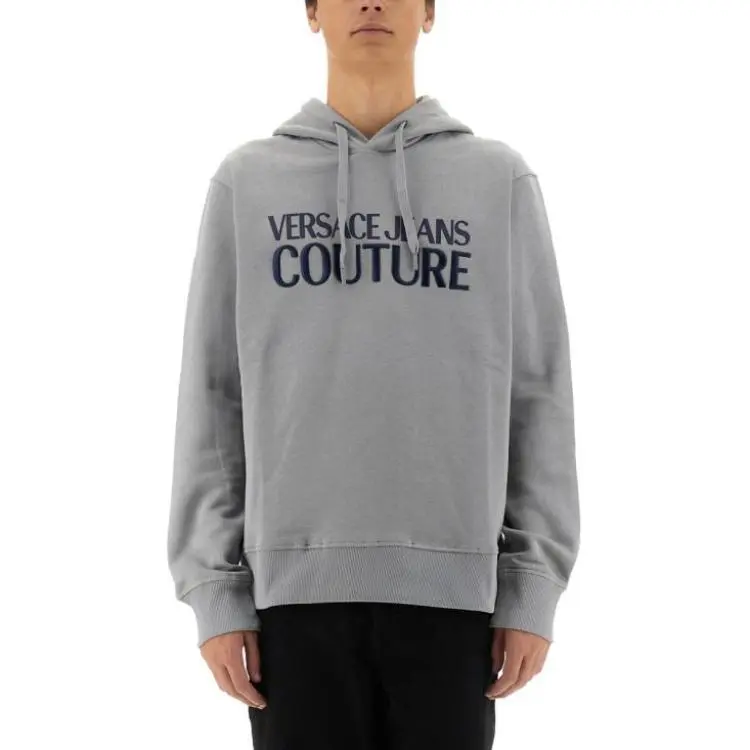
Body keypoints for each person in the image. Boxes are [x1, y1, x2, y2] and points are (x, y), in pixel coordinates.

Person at [166, 1, 581, 748]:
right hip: (288, 603)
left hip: (459, 600)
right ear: (311, 12)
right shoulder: (247, 183)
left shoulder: (498, 180)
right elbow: (213, 392)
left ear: (429, 13)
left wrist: (533, 586)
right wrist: (215, 589)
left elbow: (539, 390)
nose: (370, 1)